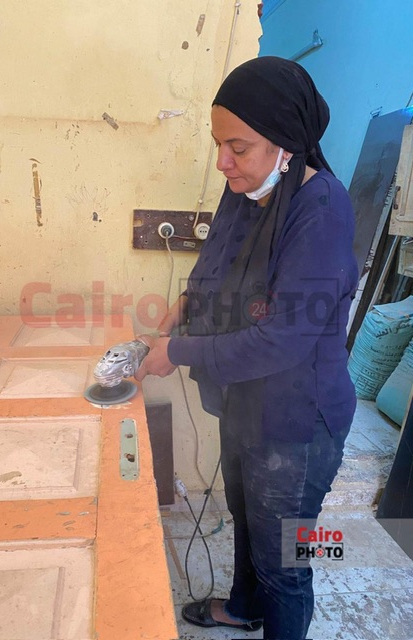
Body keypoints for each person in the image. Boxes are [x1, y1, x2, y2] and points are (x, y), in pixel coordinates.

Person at [135, 56, 358, 640]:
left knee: (287, 561)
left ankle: (272, 610)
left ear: (286, 145)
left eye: (238, 147)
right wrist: (176, 317)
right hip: (246, 402)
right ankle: (243, 607)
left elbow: (281, 340)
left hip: (298, 423)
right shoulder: (248, 189)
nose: (223, 162)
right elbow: (213, 270)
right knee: (246, 518)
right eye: (218, 144)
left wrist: (176, 353)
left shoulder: (322, 212)